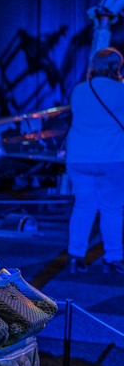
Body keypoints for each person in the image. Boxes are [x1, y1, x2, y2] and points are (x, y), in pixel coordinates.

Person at [66, 47, 124, 274]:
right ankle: (113, 258)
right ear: (117, 67)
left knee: (83, 206)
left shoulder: (79, 90)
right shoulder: (120, 91)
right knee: (112, 208)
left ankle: (75, 256)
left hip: (78, 158)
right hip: (112, 157)